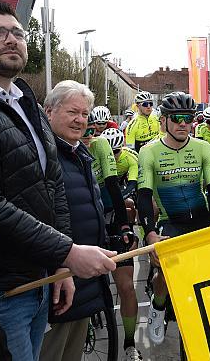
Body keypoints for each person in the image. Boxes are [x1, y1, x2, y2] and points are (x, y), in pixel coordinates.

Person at [0, 0, 116, 360]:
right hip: (0, 289)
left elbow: (53, 185)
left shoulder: (23, 101)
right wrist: (66, 252)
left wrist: (59, 264)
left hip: (39, 281)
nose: (10, 39)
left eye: (17, 32)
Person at [41, 81, 138, 361]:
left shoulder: (79, 153)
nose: (80, 120)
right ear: (49, 111)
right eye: (73, 112)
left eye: (85, 114)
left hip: (83, 276)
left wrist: (115, 233)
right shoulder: (46, 155)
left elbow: (88, 209)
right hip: (61, 276)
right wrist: (60, 259)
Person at [136, 92, 210, 345]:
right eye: (176, 119)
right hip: (170, 220)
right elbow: (144, 196)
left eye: (188, 118)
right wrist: (149, 233)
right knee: (164, 271)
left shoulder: (202, 147)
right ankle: (158, 305)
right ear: (164, 121)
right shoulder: (149, 152)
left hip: (201, 218)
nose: (183, 123)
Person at [99, 128, 142, 357]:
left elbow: (129, 187)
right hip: (93, 220)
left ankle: (129, 343)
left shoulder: (130, 158)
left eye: (116, 152)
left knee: (126, 287)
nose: (113, 156)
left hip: (116, 217)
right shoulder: (89, 153)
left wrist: (126, 227)